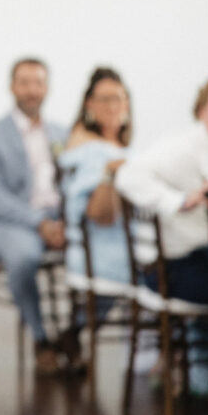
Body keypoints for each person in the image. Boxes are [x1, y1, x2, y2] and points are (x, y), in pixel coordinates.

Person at [115, 74, 208, 397]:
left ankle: (206, 373)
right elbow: (126, 175)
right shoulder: (181, 149)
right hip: (172, 269)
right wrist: (178, 201)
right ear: (201, 112)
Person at [0, 57, 68, 375]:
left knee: (108, 254)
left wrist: (64, 222)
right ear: (12, 87)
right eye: (24, 82)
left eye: (38, 82)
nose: (31, 90)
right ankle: (42, 340)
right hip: (13, 224)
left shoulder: (63, 133)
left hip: (61, 220)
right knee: (24, 257)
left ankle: (73, 336)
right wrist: (39, 223)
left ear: (47, 88)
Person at [56, 67, 133, 365]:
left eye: (119, 98)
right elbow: (96, 211)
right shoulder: (85, 146)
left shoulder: (124, 146)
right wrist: (109, 175)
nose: (113, 106)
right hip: (101, 239)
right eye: (104, 99)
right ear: (89, 104)